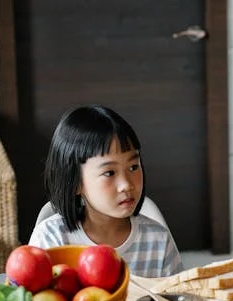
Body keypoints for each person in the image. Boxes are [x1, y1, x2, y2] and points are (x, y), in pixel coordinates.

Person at [29, 105, 183, 278]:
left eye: (133, 167)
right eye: (109, 173)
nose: (126, 184)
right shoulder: (52, 238)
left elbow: (179, 300)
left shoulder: (158, 241)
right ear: (75, 182)